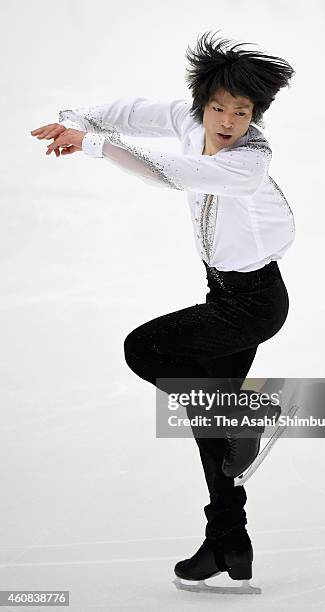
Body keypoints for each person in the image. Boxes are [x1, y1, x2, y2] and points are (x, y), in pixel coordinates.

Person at [30, 30, 295, 590]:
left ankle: (244, 420)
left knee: (145, 348)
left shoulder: (247, 162)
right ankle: (228, 541)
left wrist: (92, 145)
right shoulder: (191, 120)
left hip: (253, 303)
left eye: (240, 111)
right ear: (204, 104)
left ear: (256, 114)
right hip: (221, 294)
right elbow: (127, 112)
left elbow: (171, 173)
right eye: (218, 107)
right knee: (210, 428)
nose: (226, 120)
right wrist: (77, 119)